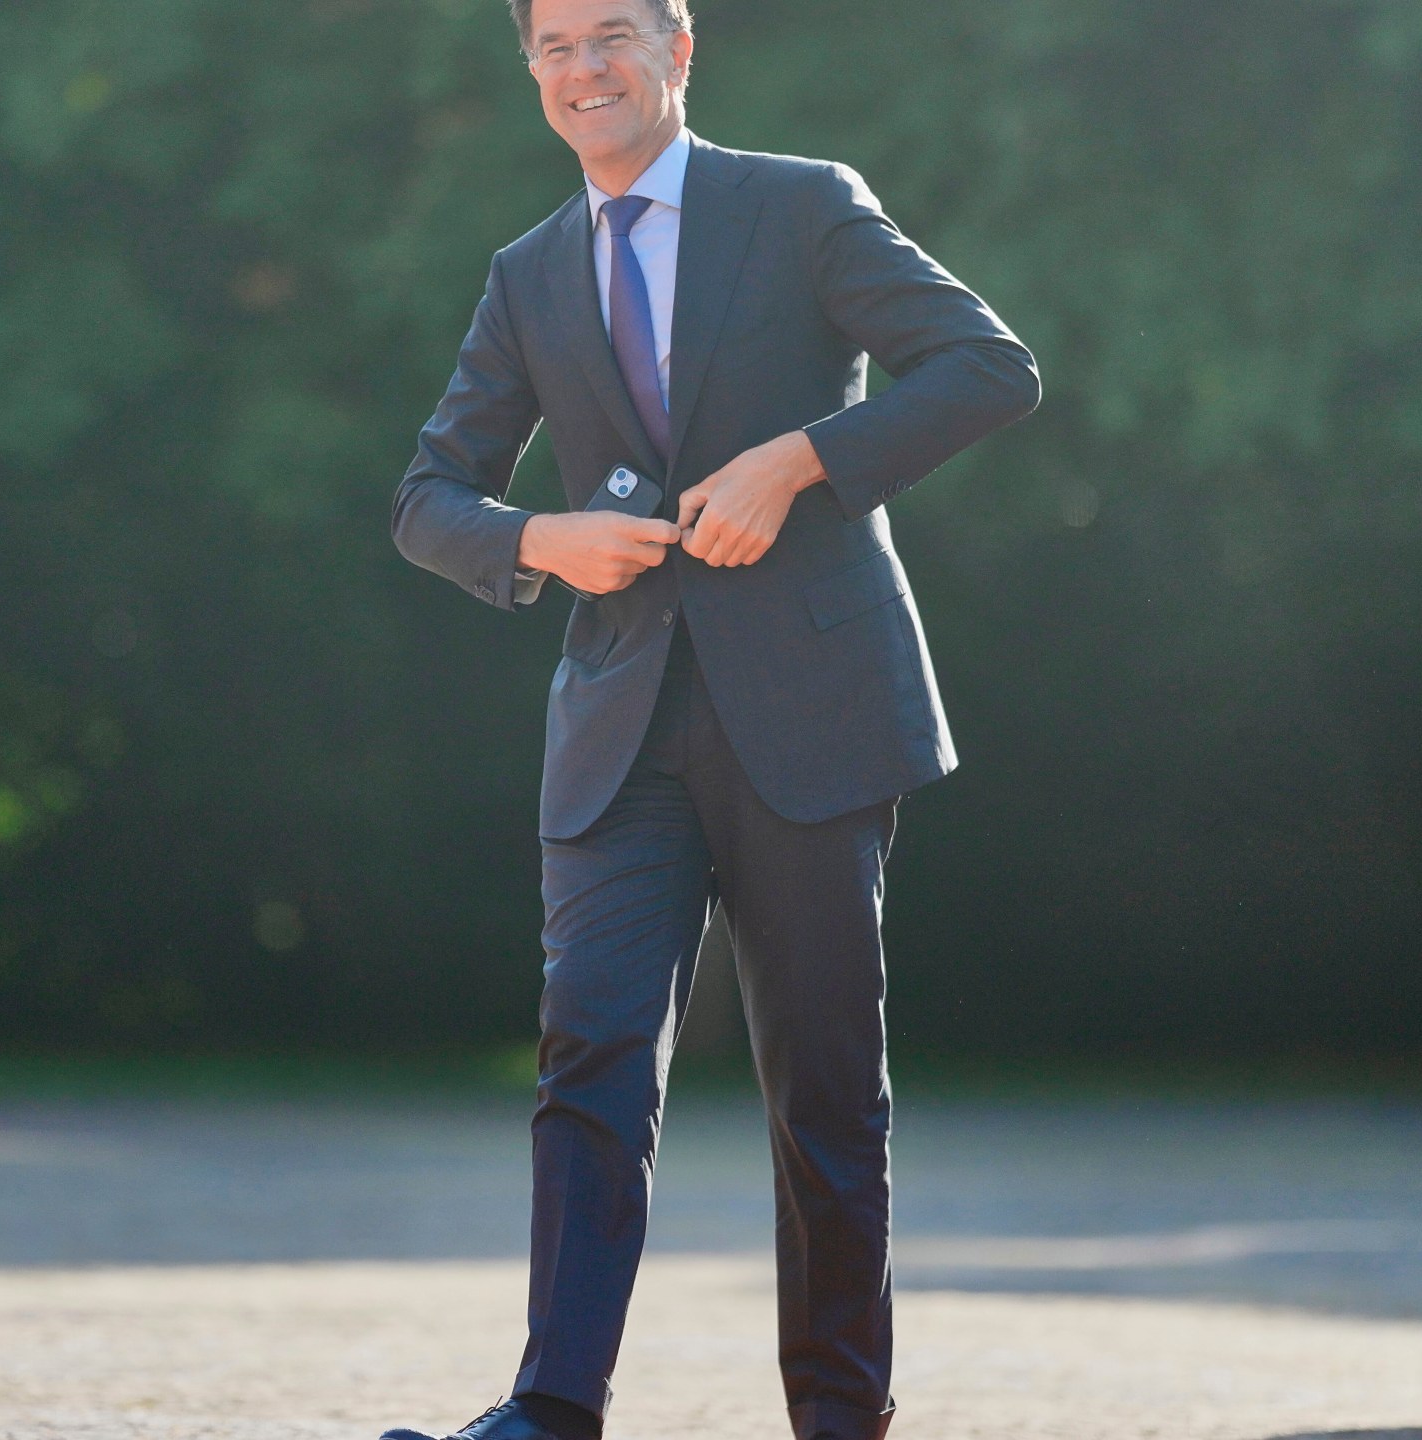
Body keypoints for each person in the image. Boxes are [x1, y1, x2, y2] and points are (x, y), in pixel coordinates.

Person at [387, 2, 1038, 1437]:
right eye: (555, 46)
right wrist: (543, 539)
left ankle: (839, 1422)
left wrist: (798, 461)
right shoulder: (528, 272)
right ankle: (552, 1410)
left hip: (810, 710)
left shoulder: (799, 206)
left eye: (613, 33)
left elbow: (989, 366)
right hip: (619, 725)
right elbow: (428, 500)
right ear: (533, 72)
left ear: (679, 49)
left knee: (824, 1092)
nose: (586, 68)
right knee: (590, 1056)